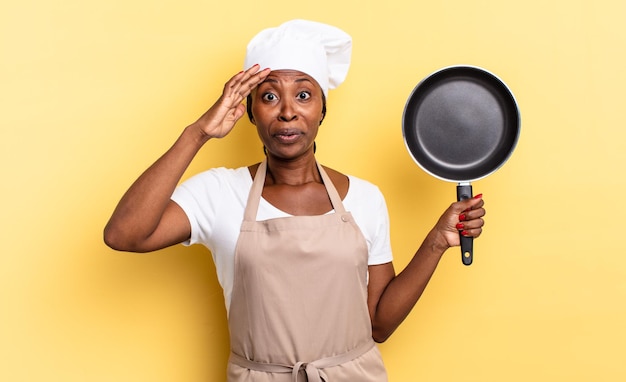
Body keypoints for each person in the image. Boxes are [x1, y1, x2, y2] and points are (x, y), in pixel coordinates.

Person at [104, 19, 485, 382]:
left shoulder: (365, 198)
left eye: (303, 95)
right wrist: (198, 133)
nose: (287, 111)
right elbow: (124, 234)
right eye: (269, 96)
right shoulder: (219, 193)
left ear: (323, 108)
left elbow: (379, 325)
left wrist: (437, 240)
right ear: (250, 111)